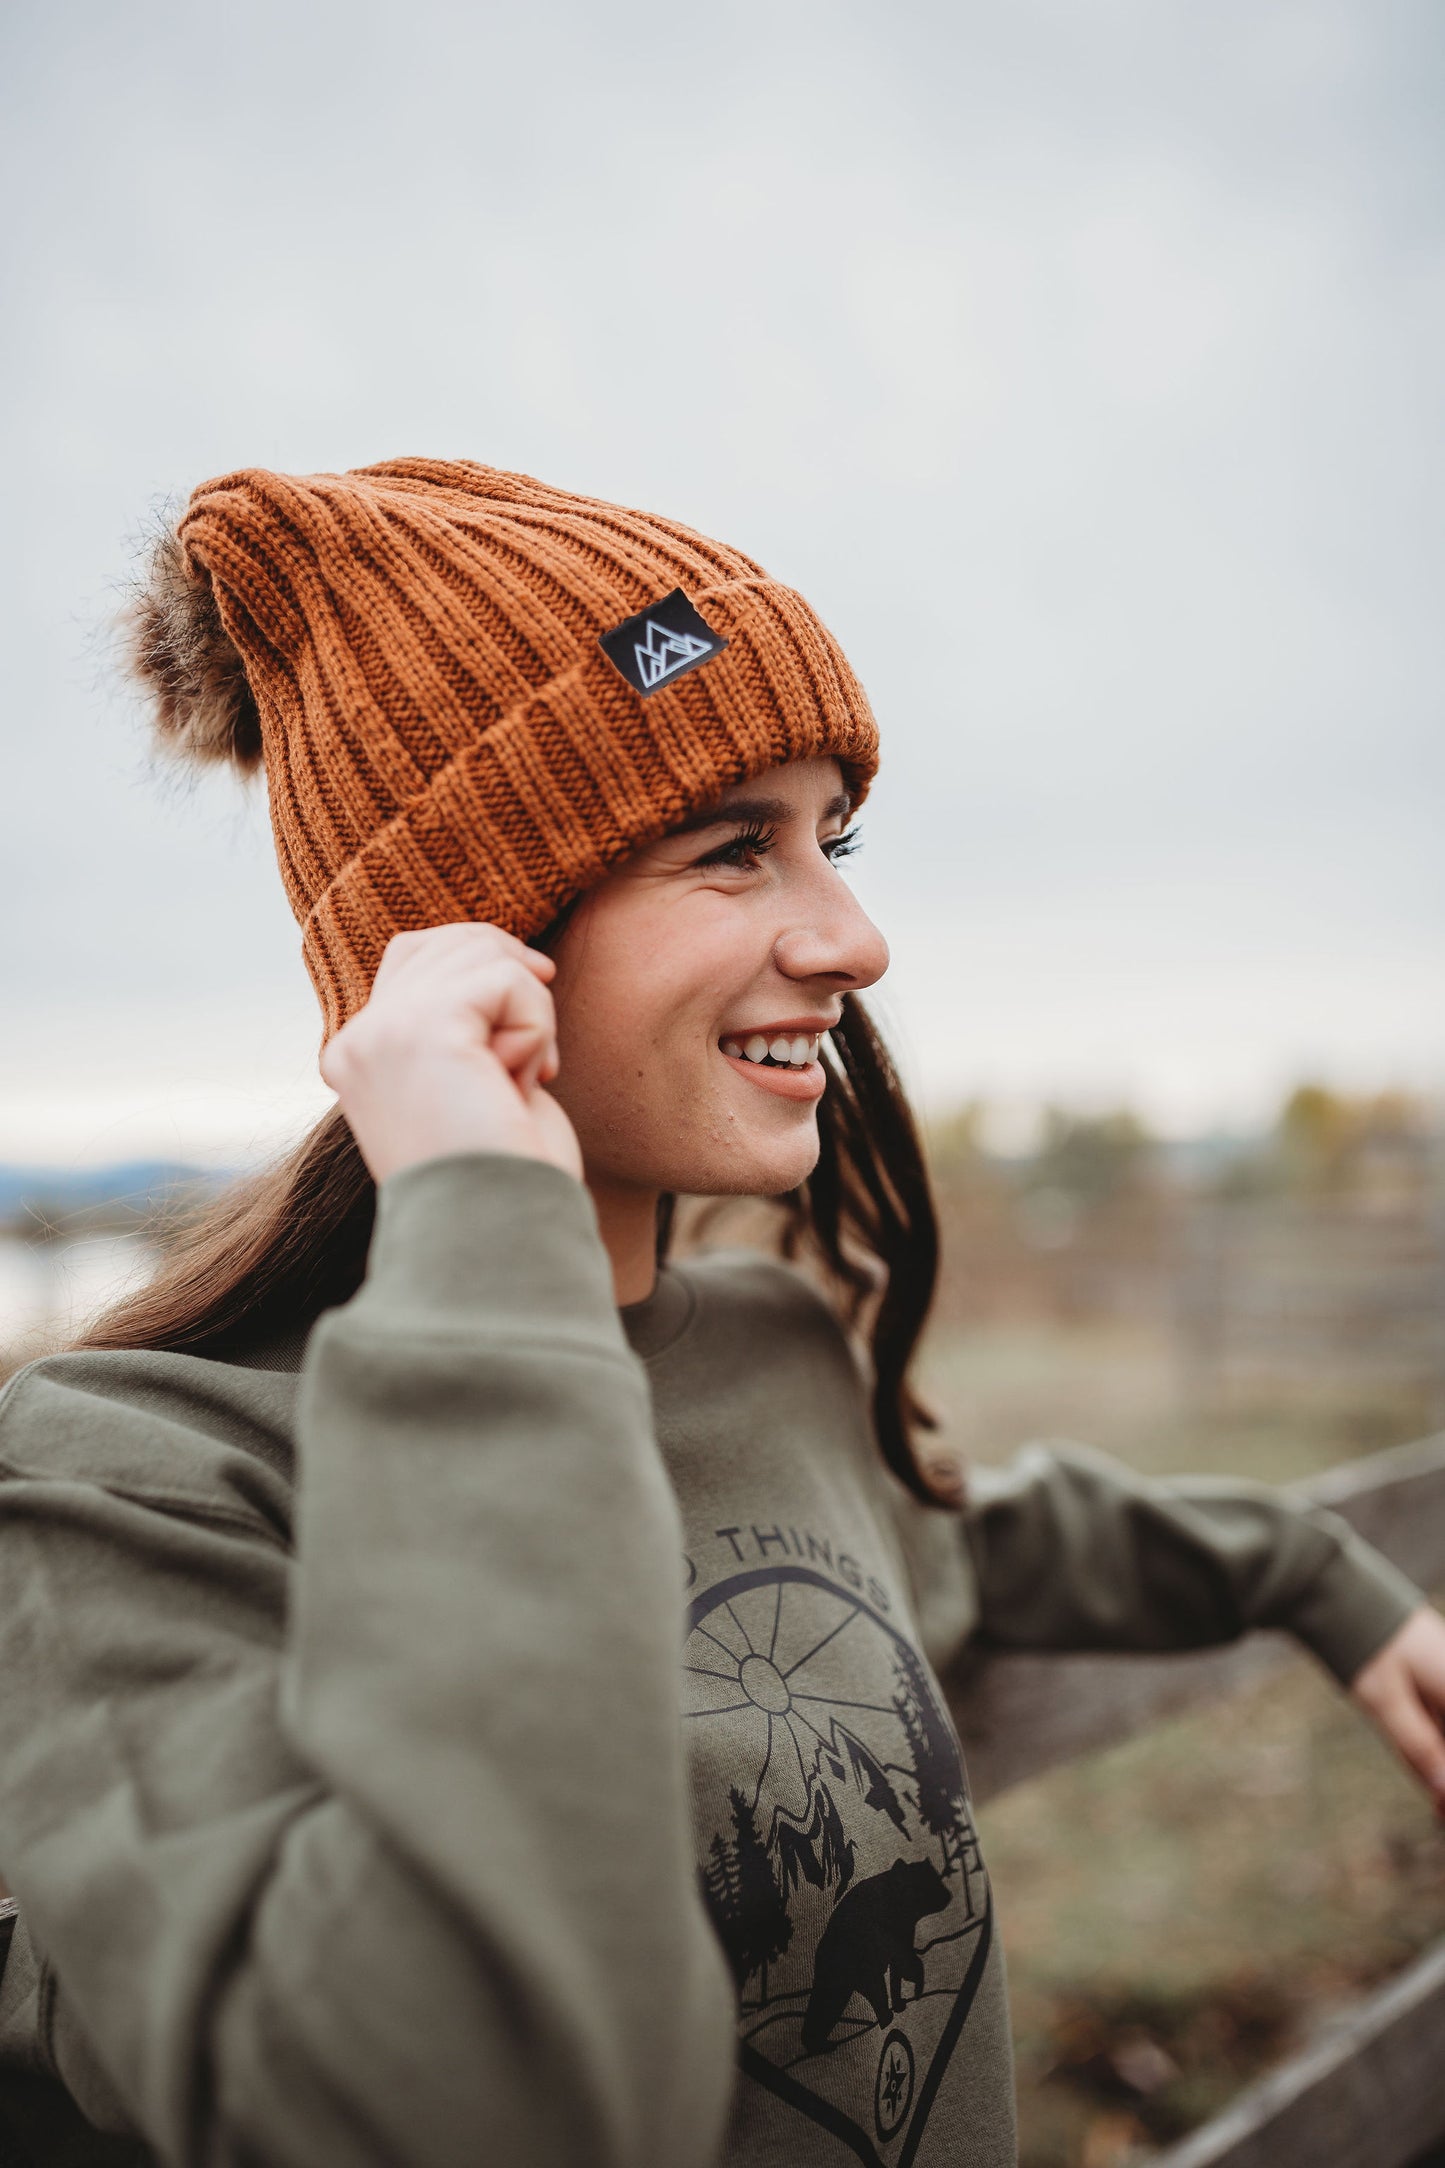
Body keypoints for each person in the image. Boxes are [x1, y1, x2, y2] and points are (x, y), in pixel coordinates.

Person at [0, 459, 1441, 2168]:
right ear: (467, 950)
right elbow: (474, 2100)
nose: (854, 937)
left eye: (833, 839)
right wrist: (486, 1232)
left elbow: (967, 1545)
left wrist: (1315, 1579)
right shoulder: (136, 1488)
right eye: (730, 848)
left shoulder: (772, 1357)